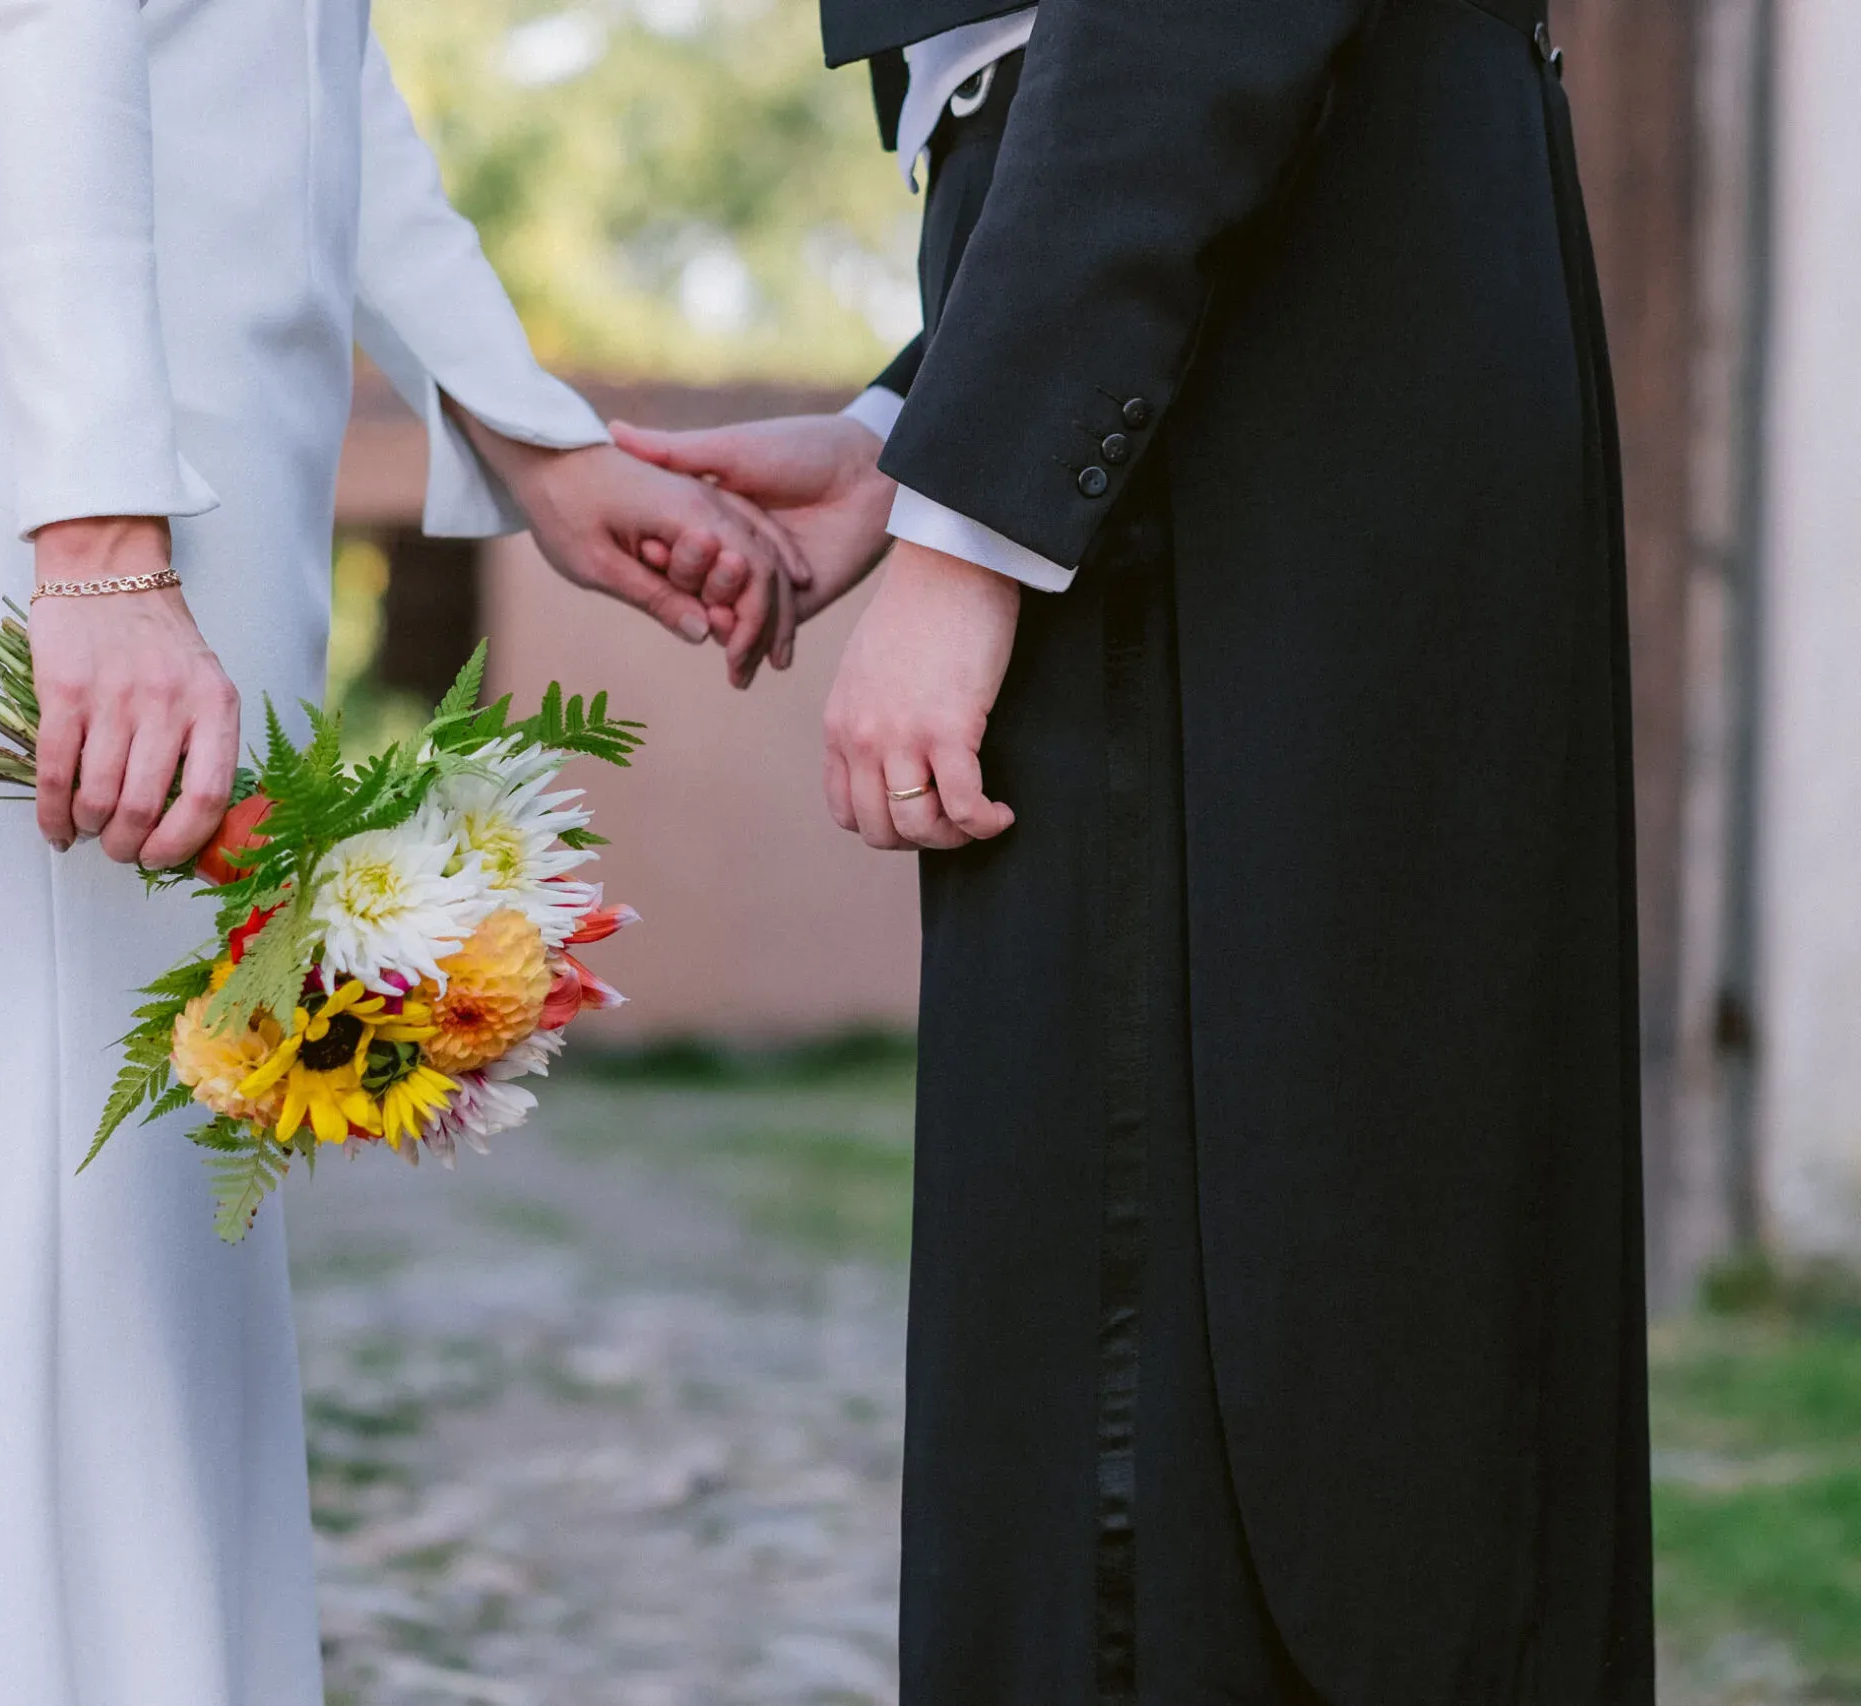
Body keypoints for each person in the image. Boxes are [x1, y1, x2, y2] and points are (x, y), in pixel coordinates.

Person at [0, 0, 805, 1699]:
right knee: (25, 1172)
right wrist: (101, 540)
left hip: (189, 427)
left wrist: (530, 430)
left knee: (118, 1197)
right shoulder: (95, 523)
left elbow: (311, 44)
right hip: (45, 437)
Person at [618, 0, 1654, 1700]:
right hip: (1286, 277)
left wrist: (975, 533)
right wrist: (926, 433)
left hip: (1285, 350)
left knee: (1224, 1312)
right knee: (1238, 1261)